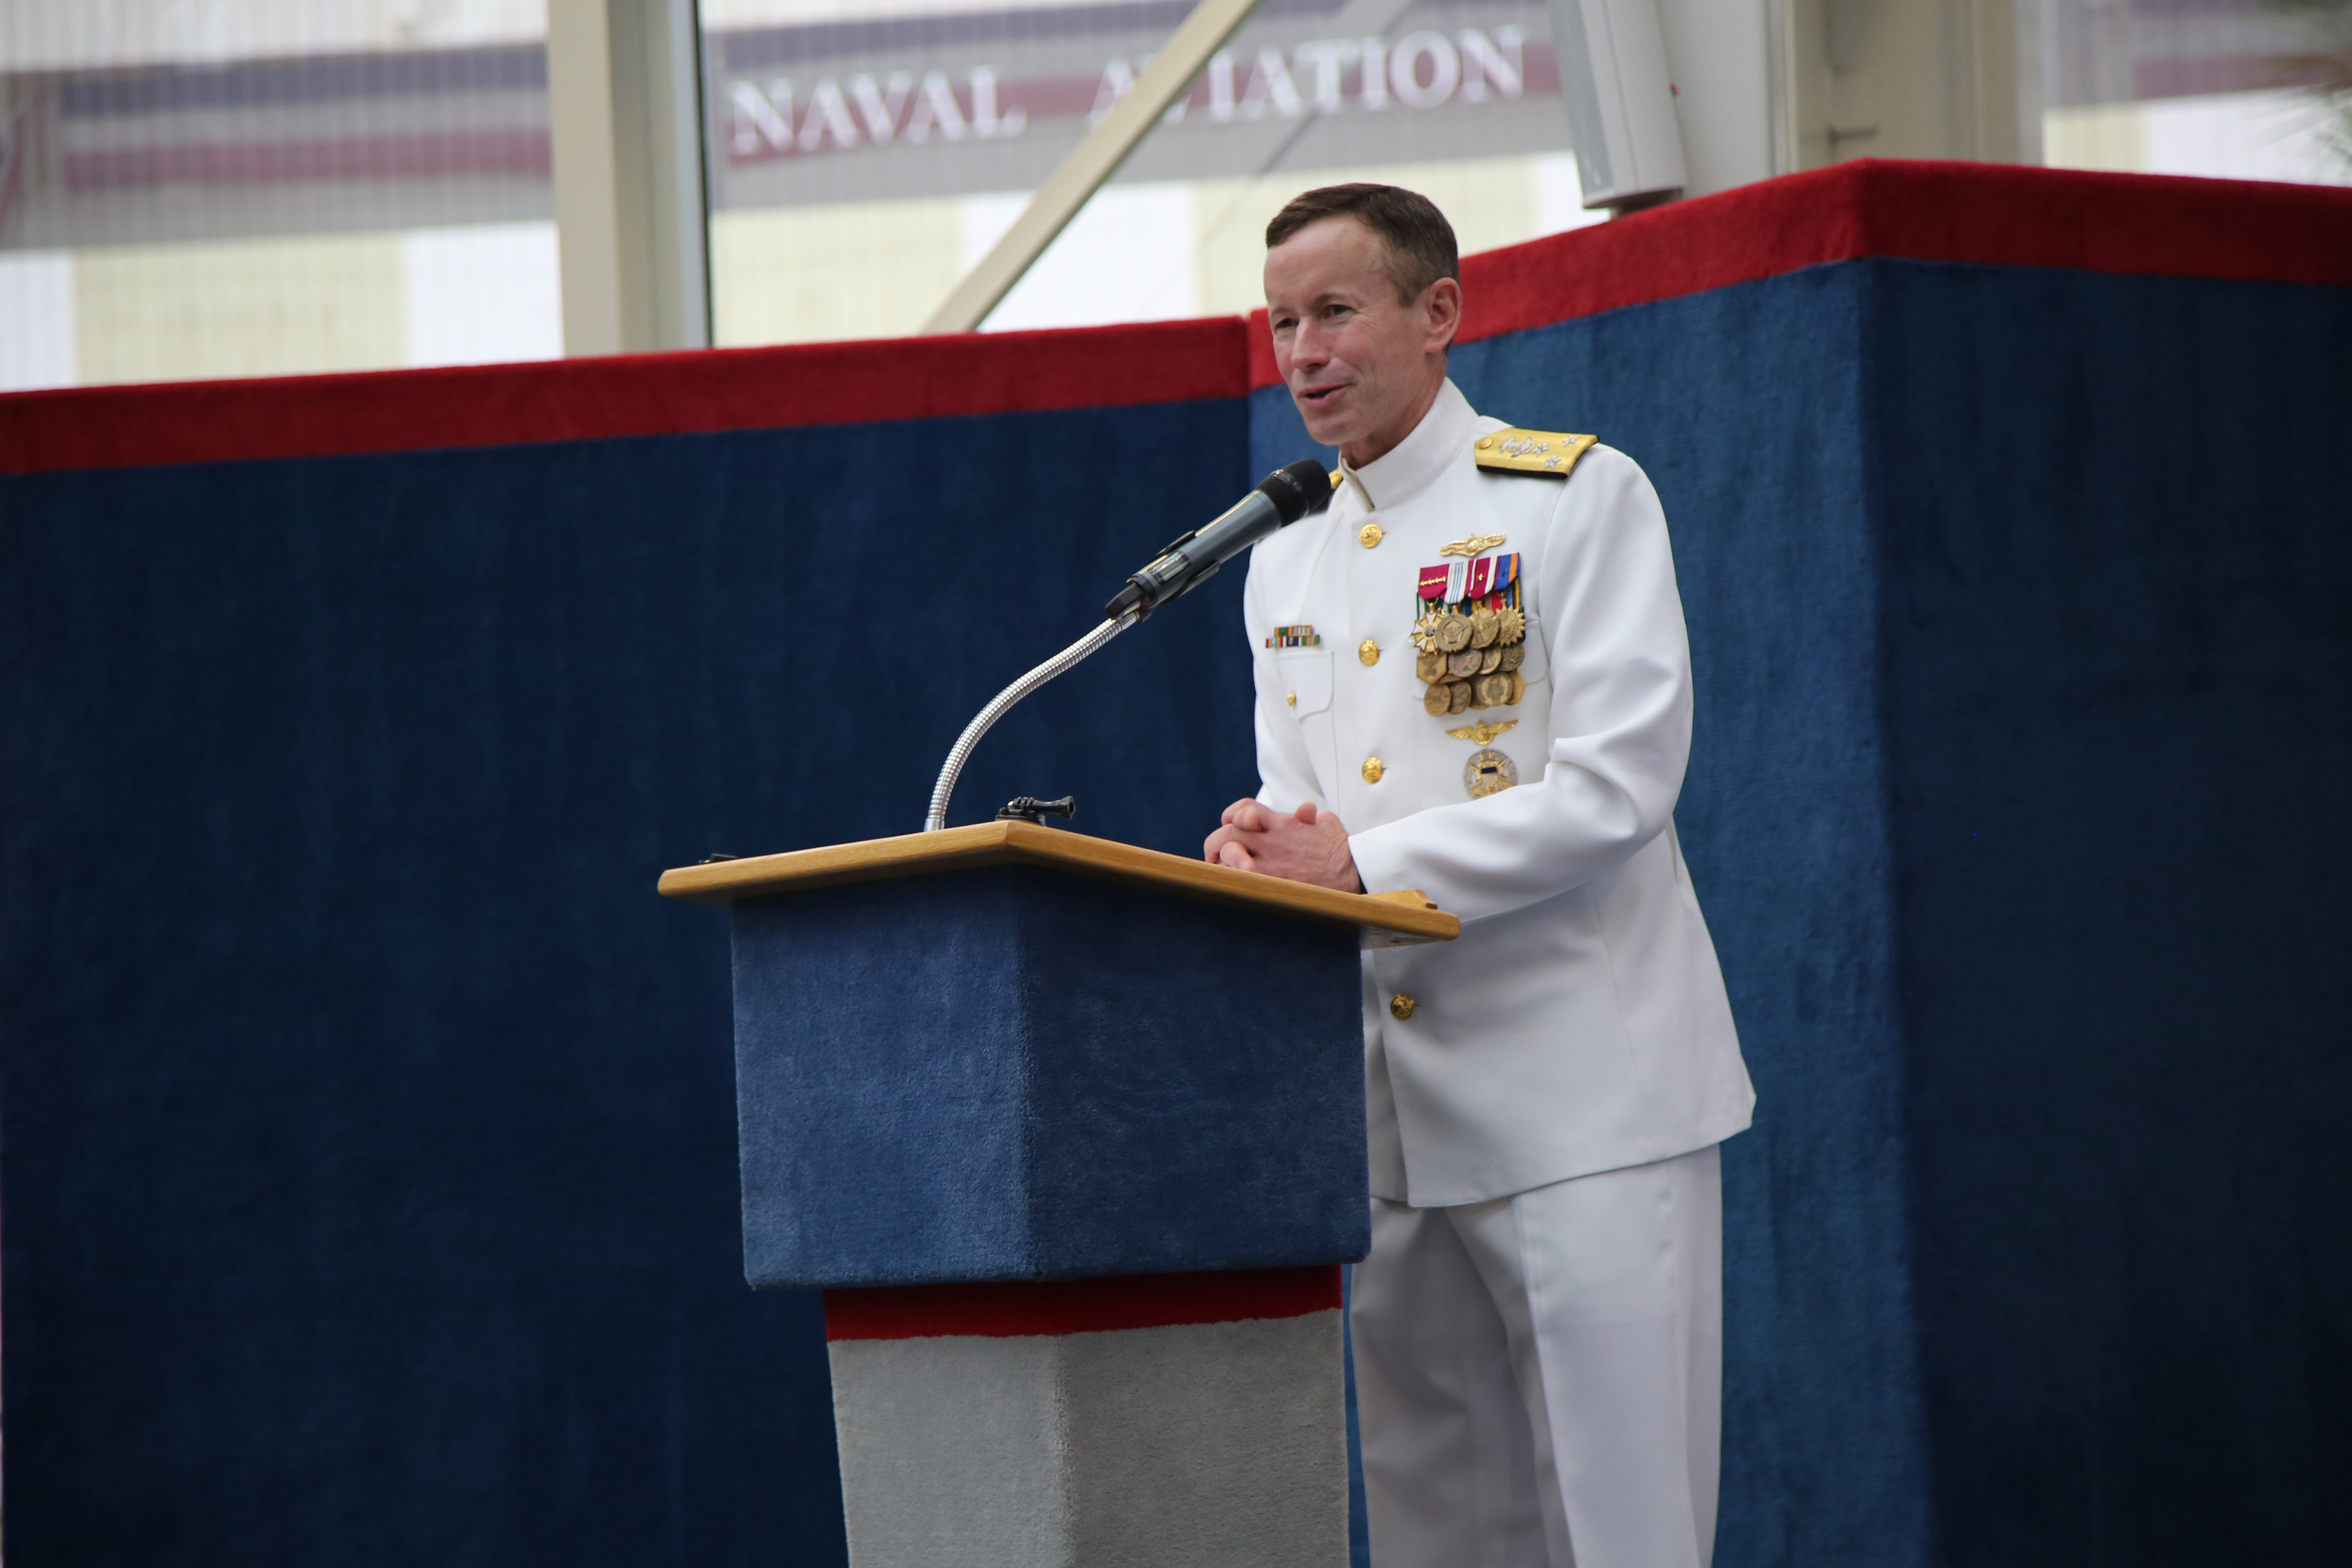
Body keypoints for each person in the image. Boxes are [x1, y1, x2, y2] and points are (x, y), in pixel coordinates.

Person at [1202, 184, 1755, 1568]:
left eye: (1335, 311)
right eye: (1280, 323)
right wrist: (1265, 853)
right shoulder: (1282, 561)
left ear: (1439, 314)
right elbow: (1303, 803)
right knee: (1441, 1534)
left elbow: (1621, 785)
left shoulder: (1573, 496)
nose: (1302, 352)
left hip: (1588, 1110)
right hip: (1390, 1130)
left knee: (1626, 1531)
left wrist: (1360, 865)